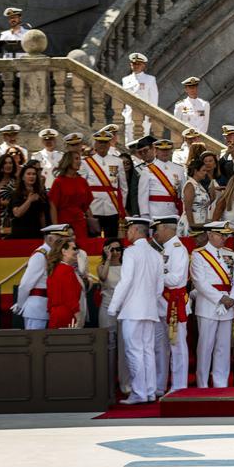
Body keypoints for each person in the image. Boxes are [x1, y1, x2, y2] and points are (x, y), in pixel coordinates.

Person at [107, 217, 164, 404]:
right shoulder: (156, 254)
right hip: (149, 309)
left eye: (129, 229)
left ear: (136, 230)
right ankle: (149, 391)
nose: (127, 232)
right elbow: (159, 287)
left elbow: (125, 282)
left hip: (132, 310)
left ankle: (139, 393)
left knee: (134, 351)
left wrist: (113, 306)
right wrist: (149, 302)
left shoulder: (131, 252)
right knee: (147, 351)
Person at [191, 221, 234, 388]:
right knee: (205, 347)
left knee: (223, 347)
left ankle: (221, 383)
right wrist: (221, 298)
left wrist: (232, 298)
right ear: (210, 234)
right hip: (208, 305)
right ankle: (202, 384)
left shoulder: (230, 253)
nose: (224, 238)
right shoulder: (198, 255)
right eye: (221, 235)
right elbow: (199, 282)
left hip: (228, 305)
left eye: (225, 235)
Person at [151, 216, 191, 396]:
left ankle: (179, 387)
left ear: (167, 229)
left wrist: (154, 276)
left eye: (157, 229)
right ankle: (160, 386)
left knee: (177, 346)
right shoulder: (164, 249)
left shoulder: (178, 249)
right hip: (161, 304)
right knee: (160, 347)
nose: (155, 233)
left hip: (174, 304)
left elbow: (175, 279)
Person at [97, 238, 130, 396]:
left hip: (124, 310)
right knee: (107, 346)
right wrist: (108, 258)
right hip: (107, 308)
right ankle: (107, 385)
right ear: (106, 251)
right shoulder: (102, 266)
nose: (116, 252)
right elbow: (103, 277)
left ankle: (125, 384)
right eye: (112, 249)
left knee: (124, 347)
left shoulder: (127, 266)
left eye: (118, 249)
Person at [82, 130, 128, 238]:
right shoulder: (86, 162)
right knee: (94, 239)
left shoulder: (117, 161)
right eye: (100, 142)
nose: (102, 145)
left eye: (105, 142)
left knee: (112, 239)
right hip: (93, 207)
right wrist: (85, 209)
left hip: (112, 207)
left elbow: (123, 187)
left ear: (109, 144)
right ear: (95, 144)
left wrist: (121, 206)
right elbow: (82, 188)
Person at [49, 151, 95, 241]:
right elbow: (53, 205)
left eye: (80, 159)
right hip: (64, 222)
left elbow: (86, 206)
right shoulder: (59, 182)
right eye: (76, 159)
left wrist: (92, 223)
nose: (79, 161)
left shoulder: (82, 181)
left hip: (80, 221)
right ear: (68, 161)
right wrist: (56, 228)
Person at [139, 139, 185, 220]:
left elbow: (183, 193)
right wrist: (145, 214)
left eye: (167, 150)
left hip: (174, 210)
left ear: (171, 151)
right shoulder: (147, 170)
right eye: (162, 150)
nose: (165, 152)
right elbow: (143, 195)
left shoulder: (179, 169)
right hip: (155, 211)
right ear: (155, 151)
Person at [46, 237, 84, 329]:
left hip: (55, 315)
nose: (76, 251)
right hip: (67, 315)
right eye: (74, 248)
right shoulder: (67, 269)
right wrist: (79, 317)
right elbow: (70, 296)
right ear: (64, 251)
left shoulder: (54, 269)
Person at [121, 53, 159, 144]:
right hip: (129, 116)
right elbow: (123, 99)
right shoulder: (126, 80)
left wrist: (152, 115)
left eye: (138, 64)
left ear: (143, 65)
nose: (136, 66)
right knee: (129, 142)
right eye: (134, 64)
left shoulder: (150, 79)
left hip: (144, 116)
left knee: (143, 142)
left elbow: (153, 98)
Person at [8, 164, 49, 239]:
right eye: (28, 174)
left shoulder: (40, 194)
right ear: (23, 177)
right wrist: (29, 200)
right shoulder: (16, 194)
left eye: (34, 174)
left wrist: (44, 233)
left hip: (36, 233)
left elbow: (42, 215)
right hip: (20, 234)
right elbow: (17, 213)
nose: (31, 176)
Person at [179, 154, 217, 237]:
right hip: (192, 223)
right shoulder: (190, 185)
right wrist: (192, 225)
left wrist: (212, 186)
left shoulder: (199, 185)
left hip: (201, 222)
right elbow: (188, 208)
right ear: (196, 171)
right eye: (203, 170)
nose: (206, 173)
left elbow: (209, 201)